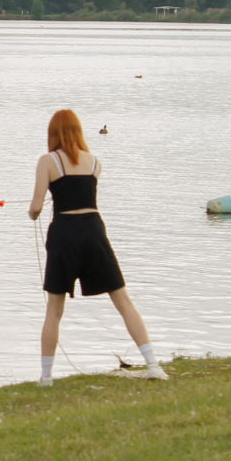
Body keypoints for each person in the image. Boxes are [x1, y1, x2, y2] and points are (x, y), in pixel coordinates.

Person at [28, 109, 167, 386]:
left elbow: (35, 207)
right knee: (122, 300)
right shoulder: (95, 163)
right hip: (93, 230)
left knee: (54, 309)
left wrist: (33, 214)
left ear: (53, 133)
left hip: (64, 232)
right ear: (78, 131)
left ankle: (46, 377)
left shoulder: (47, 161)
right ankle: (153, 365)